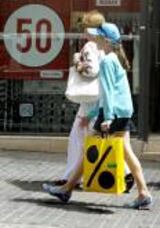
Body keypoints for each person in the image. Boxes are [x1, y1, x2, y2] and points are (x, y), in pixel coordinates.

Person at [43, 22, 153, 209]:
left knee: (91, 150)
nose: (94, 38)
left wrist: (107, 117)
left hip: (114, 113)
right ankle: (143, 193)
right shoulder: (114, 58)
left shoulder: (108, 61)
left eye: (97, 36)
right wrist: (95, 113)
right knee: (126, 153)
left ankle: (67, 189)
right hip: (122, 112)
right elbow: (111, 93)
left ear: (106, 40)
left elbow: (108, 92)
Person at [49, 10, 134, 192]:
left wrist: (78, 63)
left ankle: (70, 180)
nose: (82, 31)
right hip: (102, 100)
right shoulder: (107, 46)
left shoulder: (91, 46)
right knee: (110, 140)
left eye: (84, 27)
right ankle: (126, 175)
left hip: (93, 100)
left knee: (81, 138)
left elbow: (92, 71)